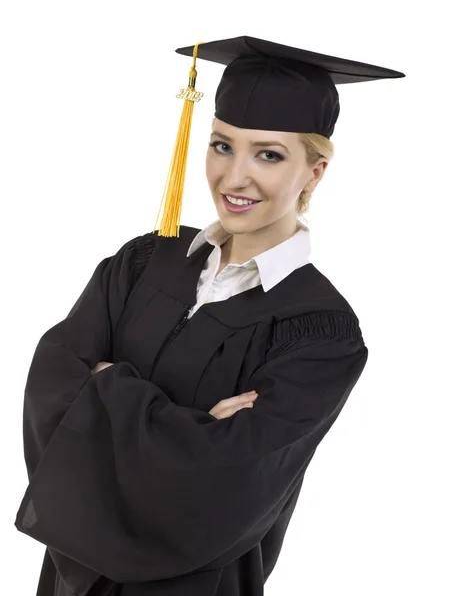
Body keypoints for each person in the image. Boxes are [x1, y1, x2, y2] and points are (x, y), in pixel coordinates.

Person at [14, 35, 405, 596]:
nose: (235, 177)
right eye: (223, 146)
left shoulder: (320, 333)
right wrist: (188, 428)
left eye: (268, 154)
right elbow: (47, 395)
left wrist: (103, 387)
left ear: (314, 173)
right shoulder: (142, 261)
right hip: (73, 580)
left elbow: (225, 487)